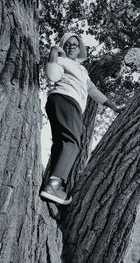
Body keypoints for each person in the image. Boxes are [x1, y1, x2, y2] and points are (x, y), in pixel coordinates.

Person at [40, 32, 125, 205]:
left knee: (62, 143)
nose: (71, 46)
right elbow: (53, 76)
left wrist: (113, 106)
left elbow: (92, 90)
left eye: (75, 44)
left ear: (80, 49)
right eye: (67, 44)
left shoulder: (82, 70)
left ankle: (52, 185)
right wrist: (54, 52)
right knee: (72, 143)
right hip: (65, 99)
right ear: (63, 47)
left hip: (66, 103)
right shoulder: (61, 61)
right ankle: (54, 186)